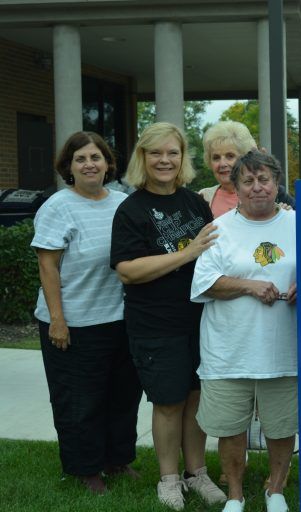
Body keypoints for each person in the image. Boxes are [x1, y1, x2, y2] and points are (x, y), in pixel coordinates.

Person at [110, 122, 226, 510]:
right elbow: (127, 269)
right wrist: (186, 253)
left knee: (196, 398)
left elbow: (217, 253)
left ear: (182, 158)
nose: (165, 160)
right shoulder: (131, 209)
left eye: (172, 152)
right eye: (156, 153)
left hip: (201, 319)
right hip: (156, 324)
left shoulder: (195, 202)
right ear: (142, 158)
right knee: (169, 401)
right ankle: (169, 479)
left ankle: (197, 473)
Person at [32, 131, 142, 494]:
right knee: (80, 401)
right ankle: (86, 469)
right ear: (69, 167)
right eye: (80, 159)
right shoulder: (57, 206)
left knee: (122, 396)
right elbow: (48, 266)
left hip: (119, 319)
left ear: (108, 164)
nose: (89, 164)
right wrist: (58, 320)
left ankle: (117, 459)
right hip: (74, 322)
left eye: (96, 157)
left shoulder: (122, 202)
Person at [191, 150, 297, 512]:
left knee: (282, 427)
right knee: (229, 428)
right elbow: (203, 285)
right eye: (248, 181)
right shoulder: (218, 230)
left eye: (264, 179)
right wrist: (249, 285)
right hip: (229, 350)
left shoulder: (299, 224)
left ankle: (276, 490)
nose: (257, 188)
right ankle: (235, 495)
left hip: (284, 349)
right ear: (235, 187)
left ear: (277, 183)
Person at [199, 121, 295, 218]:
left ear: (244, 158)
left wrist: (287, 215)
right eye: (216, 158)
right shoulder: (202, 197)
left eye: (230, 156)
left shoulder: (270, 193)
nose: (222, 164)